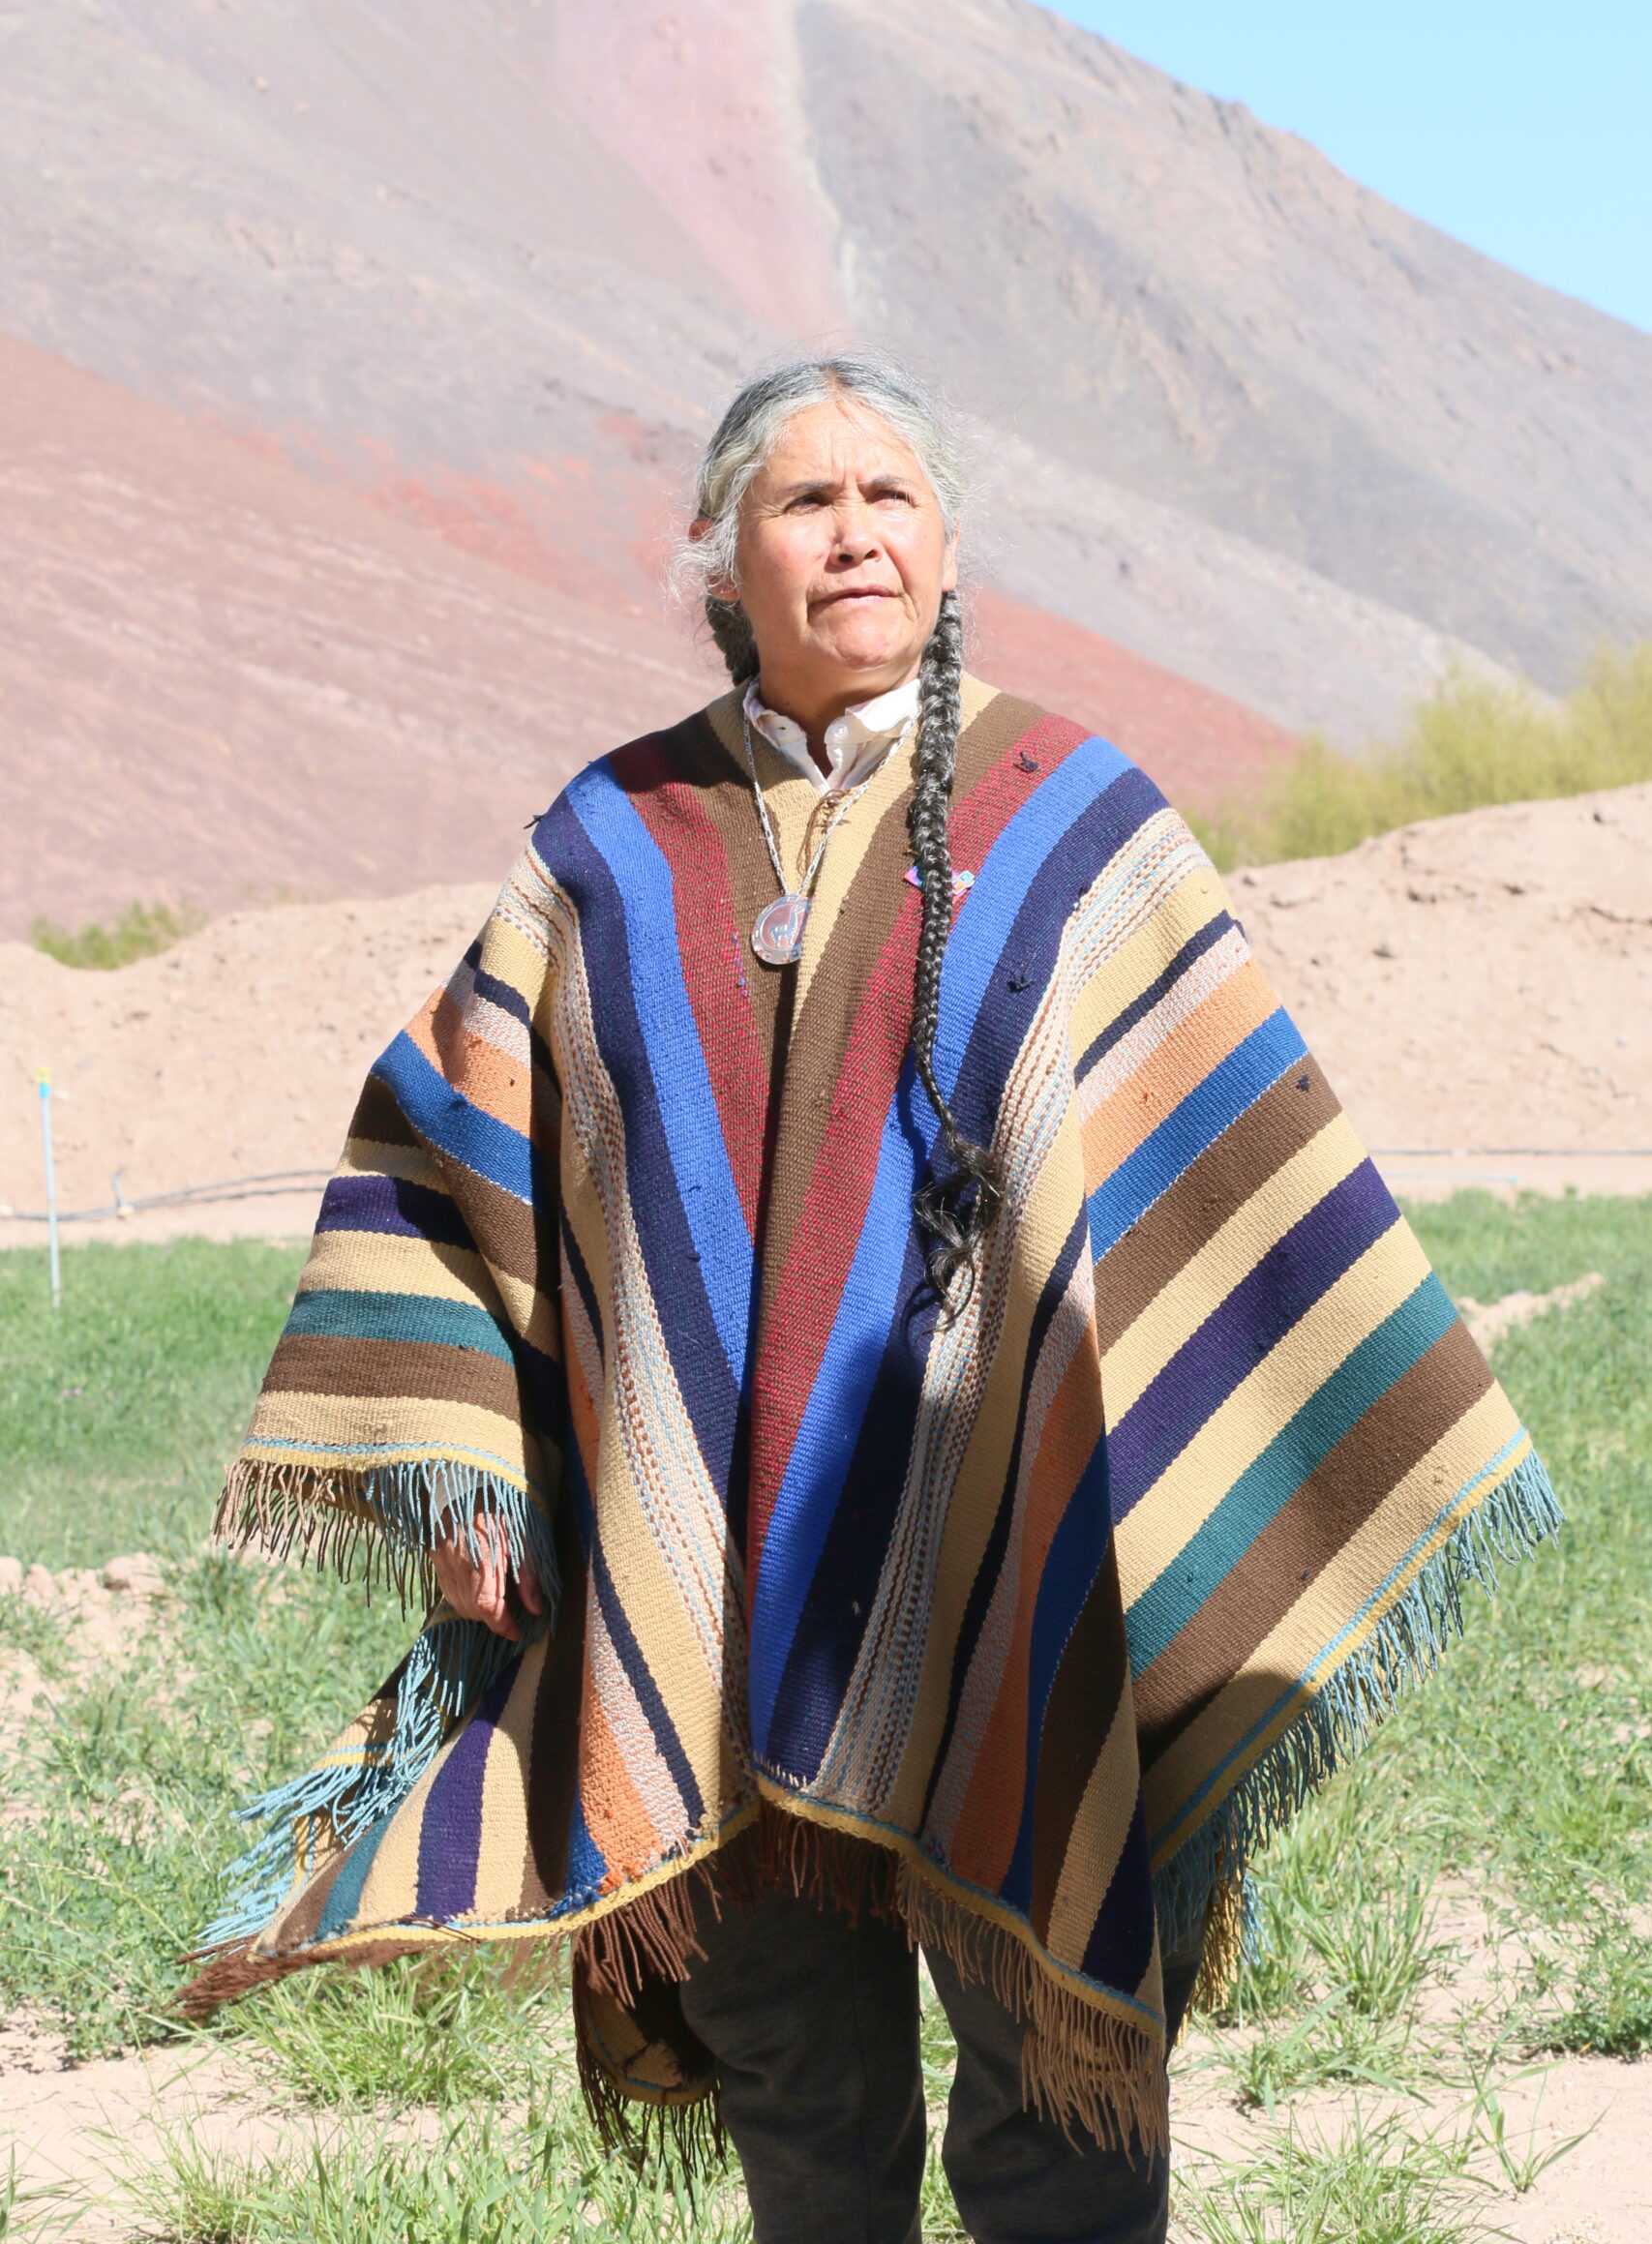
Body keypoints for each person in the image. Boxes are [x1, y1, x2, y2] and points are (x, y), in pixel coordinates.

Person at [184, 356, 1559, 2244]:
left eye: (887, 497)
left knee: (1054, 2106)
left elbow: (1225, 1149)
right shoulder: (611, 843)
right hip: (717, 1603)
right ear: (716, 558)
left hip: (1016, 1574)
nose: (850, 533)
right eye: (802, 502)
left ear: (947, 543)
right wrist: (469, 1489)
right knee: (805, 2131)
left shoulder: (1075, 824)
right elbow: (448, 1161)